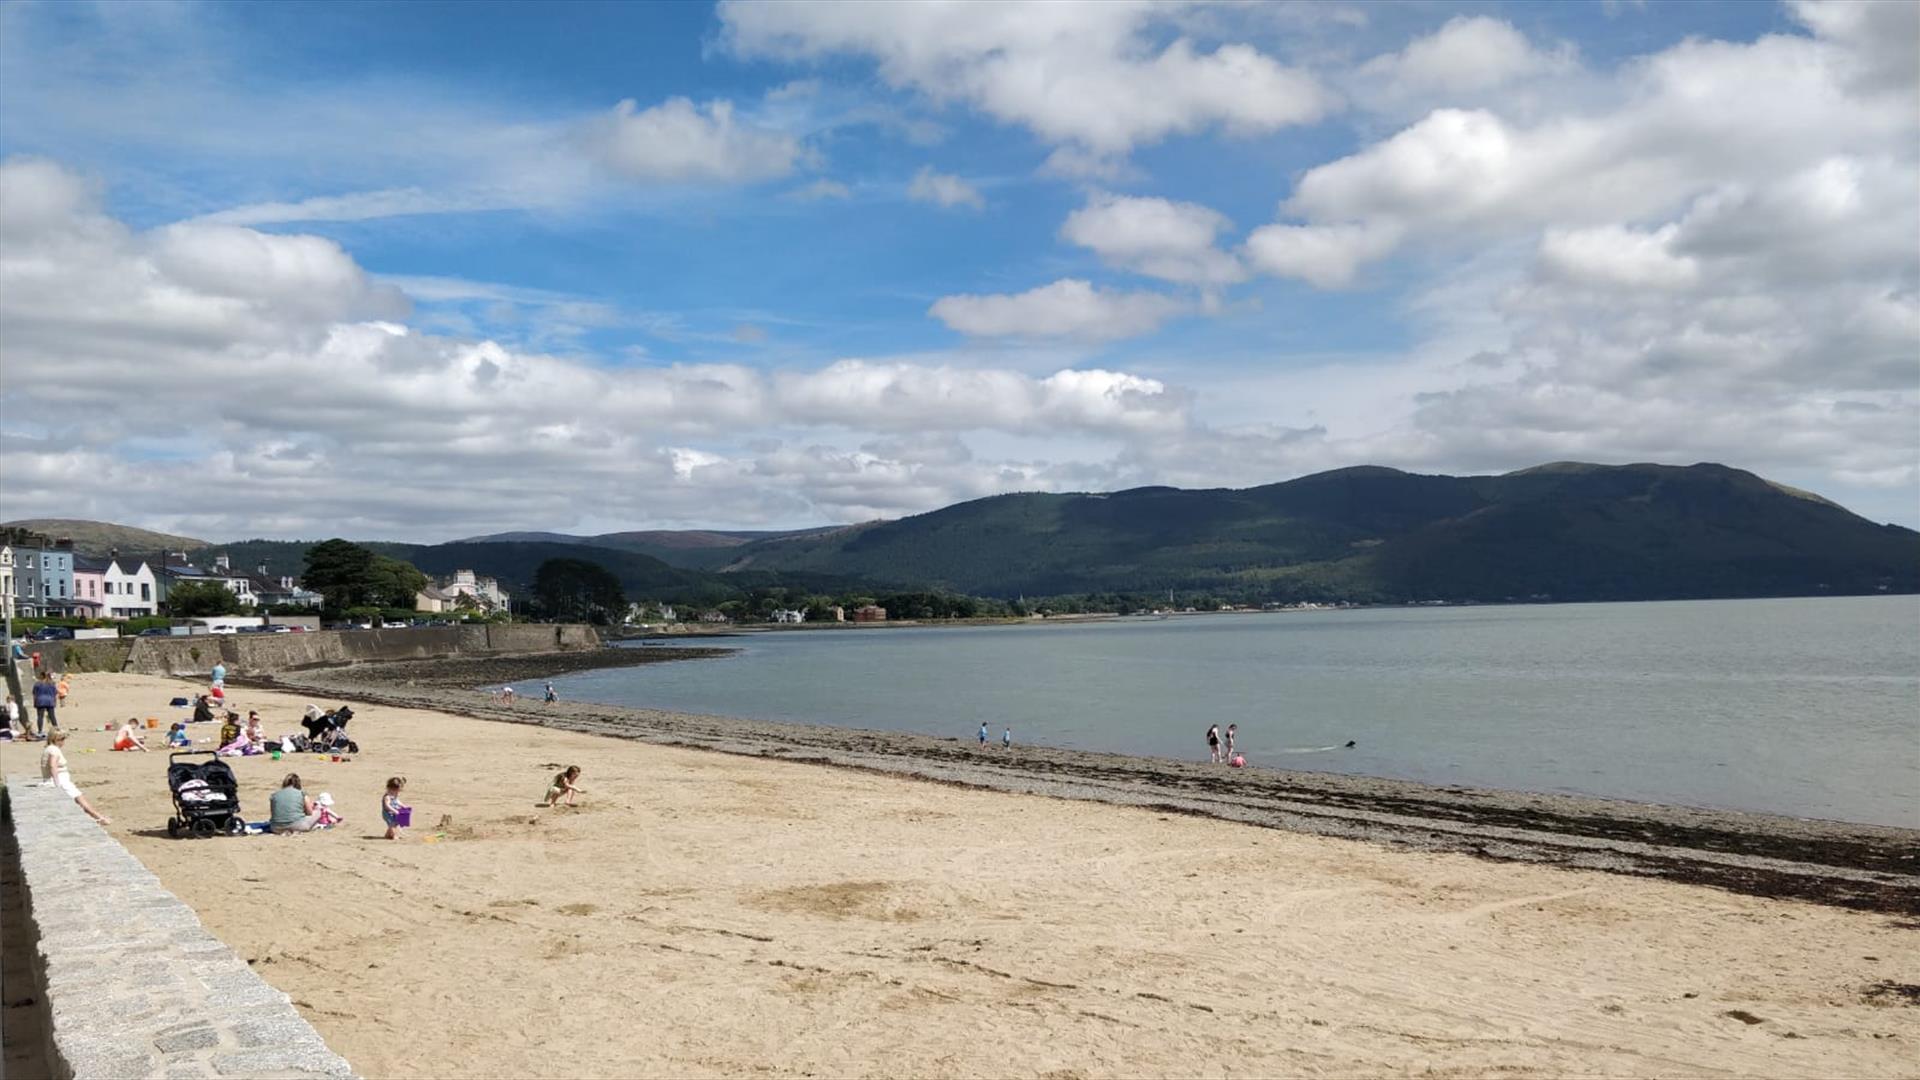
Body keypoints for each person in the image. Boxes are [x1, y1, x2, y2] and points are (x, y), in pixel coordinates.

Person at [41, 731, 109, 824]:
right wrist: (57, 784)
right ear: (56, 740)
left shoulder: (48, 749)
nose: (63, 741)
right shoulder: (54, 750)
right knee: (80, 798)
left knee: (77, 799)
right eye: (62, 739)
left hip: (54, 779)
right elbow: (53, 766)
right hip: (61, 780)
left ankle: (97, 816)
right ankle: (98, 817)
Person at [31, 673, 57, 737]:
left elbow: (34, 694)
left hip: (40, 700)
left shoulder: (37, 684)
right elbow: (55, 694)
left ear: (41, 676)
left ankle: (40, 730)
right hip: (50, 700)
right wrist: (55, 702)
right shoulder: (52, 684)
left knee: (40, 716)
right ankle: (56, 729)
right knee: (52, 716)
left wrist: (35, 702)